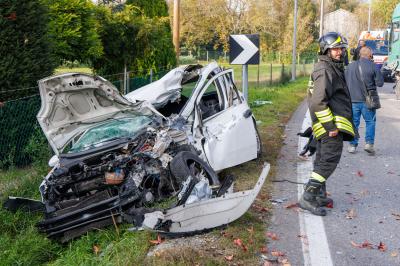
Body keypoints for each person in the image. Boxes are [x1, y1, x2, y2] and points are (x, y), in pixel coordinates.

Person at [299, 32, 355, 216]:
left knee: (323, 160)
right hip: (329, 127)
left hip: (326, 126)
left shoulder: (329, 67)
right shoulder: (325, 70)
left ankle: (319, 195)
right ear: (326, 50)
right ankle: (308, 197)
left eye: (341, 49)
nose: (340, 52)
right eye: (336, 49)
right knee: (328, 162)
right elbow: (317, 102)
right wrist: (331, 127)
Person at [345, 46, 384, 155]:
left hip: (352, 100)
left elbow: (345, 82)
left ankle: (352, 145)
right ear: (370, 55)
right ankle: (369, 144)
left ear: (359, 54)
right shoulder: (373, 66)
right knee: (370, 122)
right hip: (368, 101)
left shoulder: (350, 66)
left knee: (354, 123)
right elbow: (380, 83)